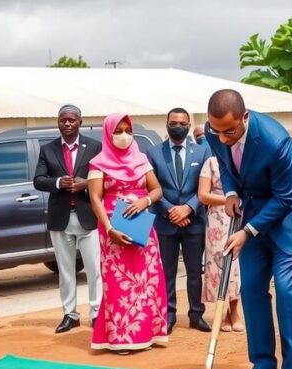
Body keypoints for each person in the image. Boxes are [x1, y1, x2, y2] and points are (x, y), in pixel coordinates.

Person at [206, 89, 292, 369]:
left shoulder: (275, 140)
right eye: (217, 131)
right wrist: (229, 194)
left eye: (230, 131)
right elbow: (226, 166)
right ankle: (264, 365)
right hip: (253, 213)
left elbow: (284, 197)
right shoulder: (215, 131)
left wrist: (247, 231)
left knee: (286, 289)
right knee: (251, 288)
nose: (223, 137)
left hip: (289, 219)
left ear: (245, 117)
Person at [87, 113, 167, 353]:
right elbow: (95, 197)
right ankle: (121, 337)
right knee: (119, 282)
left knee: (147, 280)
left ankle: (149, 333)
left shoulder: (142, 159)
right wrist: (109, 228)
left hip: (143, 227)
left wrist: (145, 200)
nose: (124, 136)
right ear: (108, 133)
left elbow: (157, 190)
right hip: (113, 228)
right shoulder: (98, 163)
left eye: (128, 130)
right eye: (118, 131)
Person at [33, 105, 103, 333]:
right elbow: (38, 180)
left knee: (94, 269)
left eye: (72, 120)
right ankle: (70, 314)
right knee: (66, 270)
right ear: (58, 122)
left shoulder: (94, 146)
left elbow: (101, 176)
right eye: (63, 120)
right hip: (60, 218)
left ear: (80, 122)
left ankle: (96, 313)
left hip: (88, 217)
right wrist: (57, 183)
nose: (68, 124)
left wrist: (86, 183)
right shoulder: (48, 149)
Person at [147, 107, 211, 335]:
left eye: (183, 123)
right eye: (174, 122)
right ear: (166, 123)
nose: (178, 126)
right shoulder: (153, 153)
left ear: (189, 124)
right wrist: (170, 211)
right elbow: (152, 187)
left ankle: (196, 314)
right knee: (167, 272)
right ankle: (169, 314)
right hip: (165, 222)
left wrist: (188, 209)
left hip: (193, 221)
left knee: (195, 272)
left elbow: (207, 186)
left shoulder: (202, 153)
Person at [198, 155, 244, 332]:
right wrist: (229, 200)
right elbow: (202, 195)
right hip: (218, 218)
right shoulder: (211, 162)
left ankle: (234, 312)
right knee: (221, 264)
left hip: (242, 214)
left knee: (237, 264)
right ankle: (222, 311)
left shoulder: (243, 159)